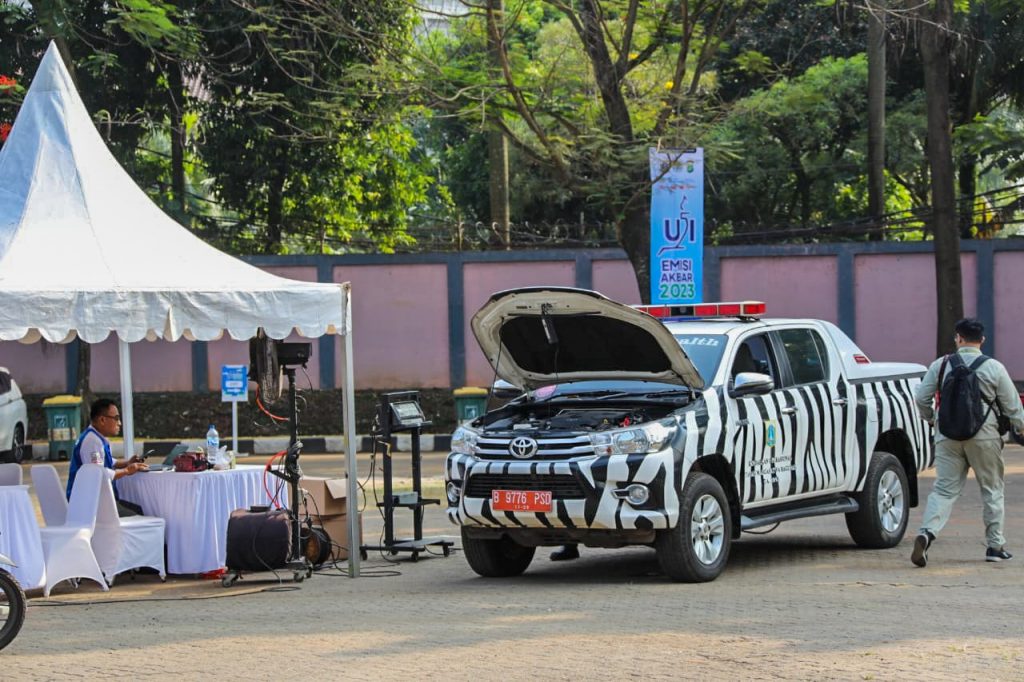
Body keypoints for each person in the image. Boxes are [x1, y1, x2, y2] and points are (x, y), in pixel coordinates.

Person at [911, 318, 1024, 567]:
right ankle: (995, 547)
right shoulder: (994, 367)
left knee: (944, 490)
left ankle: (927, 533)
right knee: (992, 489)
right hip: (985, 436)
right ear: (982, 340)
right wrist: (1020, 429)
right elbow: (1013, 407)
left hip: (947, 436)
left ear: (958, 338)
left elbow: (921, 398)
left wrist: (932, 420)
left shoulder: (941, 365)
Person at [66, 398, 147, 516]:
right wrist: (127, 470)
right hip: (90, 505)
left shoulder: (96, 438)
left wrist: (127, 463)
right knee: (139, 513)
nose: (119, 423)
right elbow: (99, 474)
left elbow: (106, 461)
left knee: (137, 508)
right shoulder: (92, 441)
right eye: (116, 418)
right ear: (102, 420)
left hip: (94, 501)